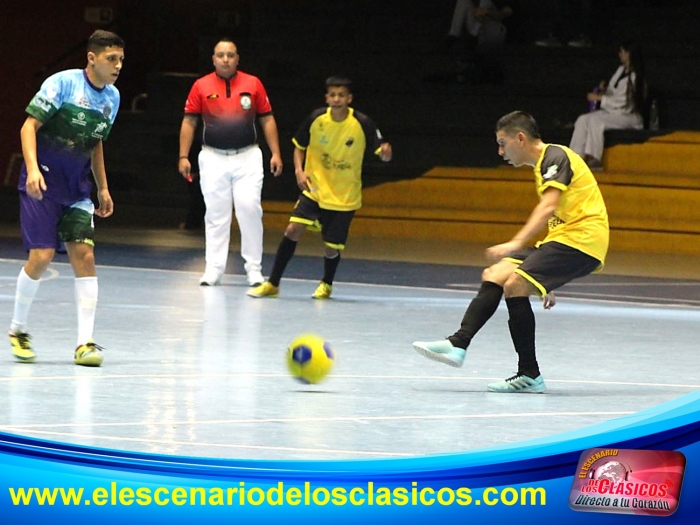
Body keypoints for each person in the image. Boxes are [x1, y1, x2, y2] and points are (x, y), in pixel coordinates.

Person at [413, 111, 609, 393]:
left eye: (503, 143)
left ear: (520, 138)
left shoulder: (555, 157)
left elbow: (548, 207)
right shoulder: (542, 166)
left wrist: (516, 243)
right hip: (564, 239)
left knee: (514, 284)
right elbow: (559, 218)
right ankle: (458, 343)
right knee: (496, 273)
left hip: (583, 240)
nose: (500, 151)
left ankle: (529, 374)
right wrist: (544, 278)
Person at [8, 30, 125, 367]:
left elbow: (96, 142)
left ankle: (84, 344)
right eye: (111, 59)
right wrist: (32, 169)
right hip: (42, 183)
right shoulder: (62, 84)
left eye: (121, 60)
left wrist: (102, 186)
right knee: (42, 256)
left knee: (85, 256)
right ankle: (18, 329)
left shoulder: (113, 98)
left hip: (77, 190)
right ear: (92, 58)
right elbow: (28, 127)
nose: (118, 66)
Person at [247, 76, 392, 300]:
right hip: (315, 188)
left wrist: (385, 153)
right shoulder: (316, 119)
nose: (336, 99)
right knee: (292, 230)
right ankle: (273, 283)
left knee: (331, 247)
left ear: (349, 98)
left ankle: (326, 283)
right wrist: (298, 171)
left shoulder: (362, 123)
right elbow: (299, 146)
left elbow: (382, 153)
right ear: (327, 98)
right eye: (332, 95)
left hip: (344, 195)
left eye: (341, 95)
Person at [178, 38, 283, 287]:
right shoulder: (200, 86)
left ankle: (254, 269)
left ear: (238, 58)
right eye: (221, 55)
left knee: (250, 209)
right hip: (212, 157)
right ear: (213, 58)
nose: (225, 59)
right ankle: (213, 268)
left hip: (248, 157)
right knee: (216, 214)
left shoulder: (253, 83)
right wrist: (183, 156)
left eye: (230, 55)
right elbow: (189, 122)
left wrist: (275, 153)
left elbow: (267, 119)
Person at [569, 40, 646, 169]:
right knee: (583, 120)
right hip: (613, 112)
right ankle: (575, 158)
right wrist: (603, 91)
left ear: (629, 54)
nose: (620, 54)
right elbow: (613, 92)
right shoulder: (620, 70)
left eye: (623, 51)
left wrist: (599, 98)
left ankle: (594, 159)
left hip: (627, 115)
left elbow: (622, 101)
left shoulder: (634, 77)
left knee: (596, 121)